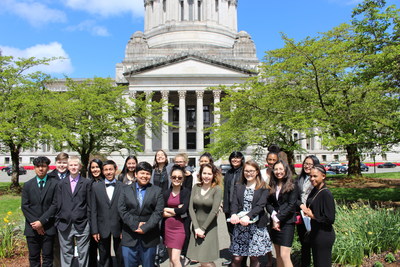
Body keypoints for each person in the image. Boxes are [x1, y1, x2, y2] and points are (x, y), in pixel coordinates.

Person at [118, 161, 164, 267]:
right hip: (129, 235)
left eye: (148, 174)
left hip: (149, 236)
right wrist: (134, 225)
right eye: (142, 173)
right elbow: (122, 210)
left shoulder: (157, 191)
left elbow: (158, 212)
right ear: (136, 174)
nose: (145, 176)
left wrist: (145, 227)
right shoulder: (125, 190)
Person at [229, 160, 272, 267]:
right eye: (246, 171)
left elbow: (260, 205)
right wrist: (233, 214)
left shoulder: (263, 187)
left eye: (252, 171)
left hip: (256, 228)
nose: (249, 173)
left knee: (254, 258)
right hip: (240, 227)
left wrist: (248, 216)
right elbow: (234, 203)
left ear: (257, 172)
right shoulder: (238, 186)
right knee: (237, 258)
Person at [55, 156, 92, 267]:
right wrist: (58, 221)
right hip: (64, 224)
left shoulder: (86, 183)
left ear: (80, 166)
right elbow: (58, 204)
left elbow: (90, 204)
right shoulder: (62, 183)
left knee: (83, 253)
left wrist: (89, 223)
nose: (73, 167)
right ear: (68, 167)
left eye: (75, 165)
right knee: (66, 253)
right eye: (71, 165)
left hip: (82, 224)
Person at [21, 156, 58, 267]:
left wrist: (41, 222)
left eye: (43, 166)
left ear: (48, 168)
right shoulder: (27, 185)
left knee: (48, 258)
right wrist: (36, 224)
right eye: (38, 166)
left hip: (48, 227)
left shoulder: (55, 184)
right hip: (31, 228)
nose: (41, 169)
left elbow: (55, 205)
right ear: (34, 168)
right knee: (34, 258)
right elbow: (25, 206)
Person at [186, 163, 222, 267]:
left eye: (209, 174)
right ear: (200, 174)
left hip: (209, 227)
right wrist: (196, 227)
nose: (206, 176)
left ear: (213, 175)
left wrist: (203, 228)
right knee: (200, 258)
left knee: (206, 259)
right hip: (196, 226)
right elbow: (191, 208)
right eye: (204, 173)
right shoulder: (196, 187)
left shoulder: (217, 189)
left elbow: (214, 211)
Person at [91, 160, 123, 267]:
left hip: (118, 227)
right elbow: (93, 210)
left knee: (120, 256)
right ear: (102, 172)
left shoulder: (122, 187)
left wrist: (124, 229)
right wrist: (94, 230)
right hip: (102, 227)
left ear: (115, 170)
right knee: (104, 257)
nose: (108, 172)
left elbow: (125, 210)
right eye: (106, 170)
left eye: (110, 169)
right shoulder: (96, 187)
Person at [266, 160, 297, 267]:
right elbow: (268, 203)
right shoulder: (271, 185)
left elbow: (291, 205)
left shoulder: (293, 185)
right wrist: (274, 217)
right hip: (274, 223)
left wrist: (277, 218)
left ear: (285, 170)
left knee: (284, 255)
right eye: (276, 169)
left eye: (280, 169)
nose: (278, 171)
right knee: (278, 254)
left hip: (287, 223)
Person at [303, 165, 335, 267]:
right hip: (315, 232)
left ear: (323, 176)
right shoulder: (315, 190)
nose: (312, 179)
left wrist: (313, 215)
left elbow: (330, 218)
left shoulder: (326, 194)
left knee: (323, 263)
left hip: (324, 235)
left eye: (315, 176)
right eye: (310, 176)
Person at [162, 165, 191, 267]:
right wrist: (176, 210)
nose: (176, 179)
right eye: (174, 177)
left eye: (179, 177)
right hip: (167, 228)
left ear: (183, 179)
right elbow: (161, 211)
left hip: (180, 228)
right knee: (171, 260)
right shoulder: (166, 193)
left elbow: (183, 210)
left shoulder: (186, 192)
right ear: (170, 178)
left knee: (175, 259)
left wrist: (167, 209)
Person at [295, 155, 320, 267]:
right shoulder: (299, 179)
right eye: (306, 163)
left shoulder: (316, 180)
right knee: (304, 244)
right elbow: (294, 197)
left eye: (310, 164)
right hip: (301, 215)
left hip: (313, 214)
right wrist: (300, 205)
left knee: (315, 243)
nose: (307, 166)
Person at [222, 151, 245, 266]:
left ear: (241, 159)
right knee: (231, 234)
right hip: (229, 208)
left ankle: (242, 261)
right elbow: (226, 190)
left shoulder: (244, 172)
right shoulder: (229, 173)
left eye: (237, 158)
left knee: (242, 235)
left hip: (241, 208)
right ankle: (234, 259)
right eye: (233, 158)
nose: (235, 160)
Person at [47, 152, 69, 267]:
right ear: (56, 163)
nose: (62, 165)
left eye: (64, 163)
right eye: (59, 163)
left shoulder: (73, 175)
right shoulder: (50, 177)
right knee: (56, 244)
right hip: (54, 216)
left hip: (69, 216)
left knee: (68, 244)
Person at [88, 158, 104, 266]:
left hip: (103, 220)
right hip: (90, 220)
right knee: (91, 249)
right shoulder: (87, 183)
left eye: (97, 167)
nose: (95, 170)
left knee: (103, 250)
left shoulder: (106, 182)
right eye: (93, 167)